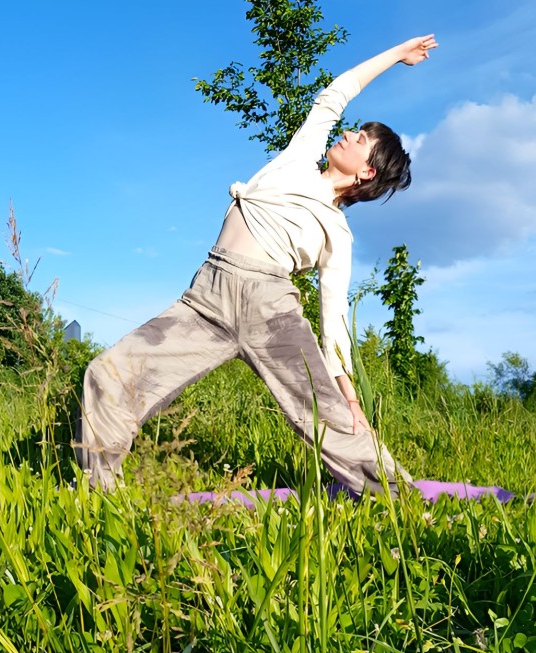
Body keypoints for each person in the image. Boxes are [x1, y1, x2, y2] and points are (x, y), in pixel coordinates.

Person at [76, 35, 438, 494]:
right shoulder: (300, 161)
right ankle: (98, 499)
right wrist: (396, 53)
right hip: (206, 299)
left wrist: (349, 393)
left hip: (271, 311)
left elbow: (334, 320)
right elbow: (336, 93)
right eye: (355, 129)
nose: (348, 133)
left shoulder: (338, 232)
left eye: (360, 138)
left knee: (333, 422)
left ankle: (398, 498)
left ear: (367, 171)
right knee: (107, 375)